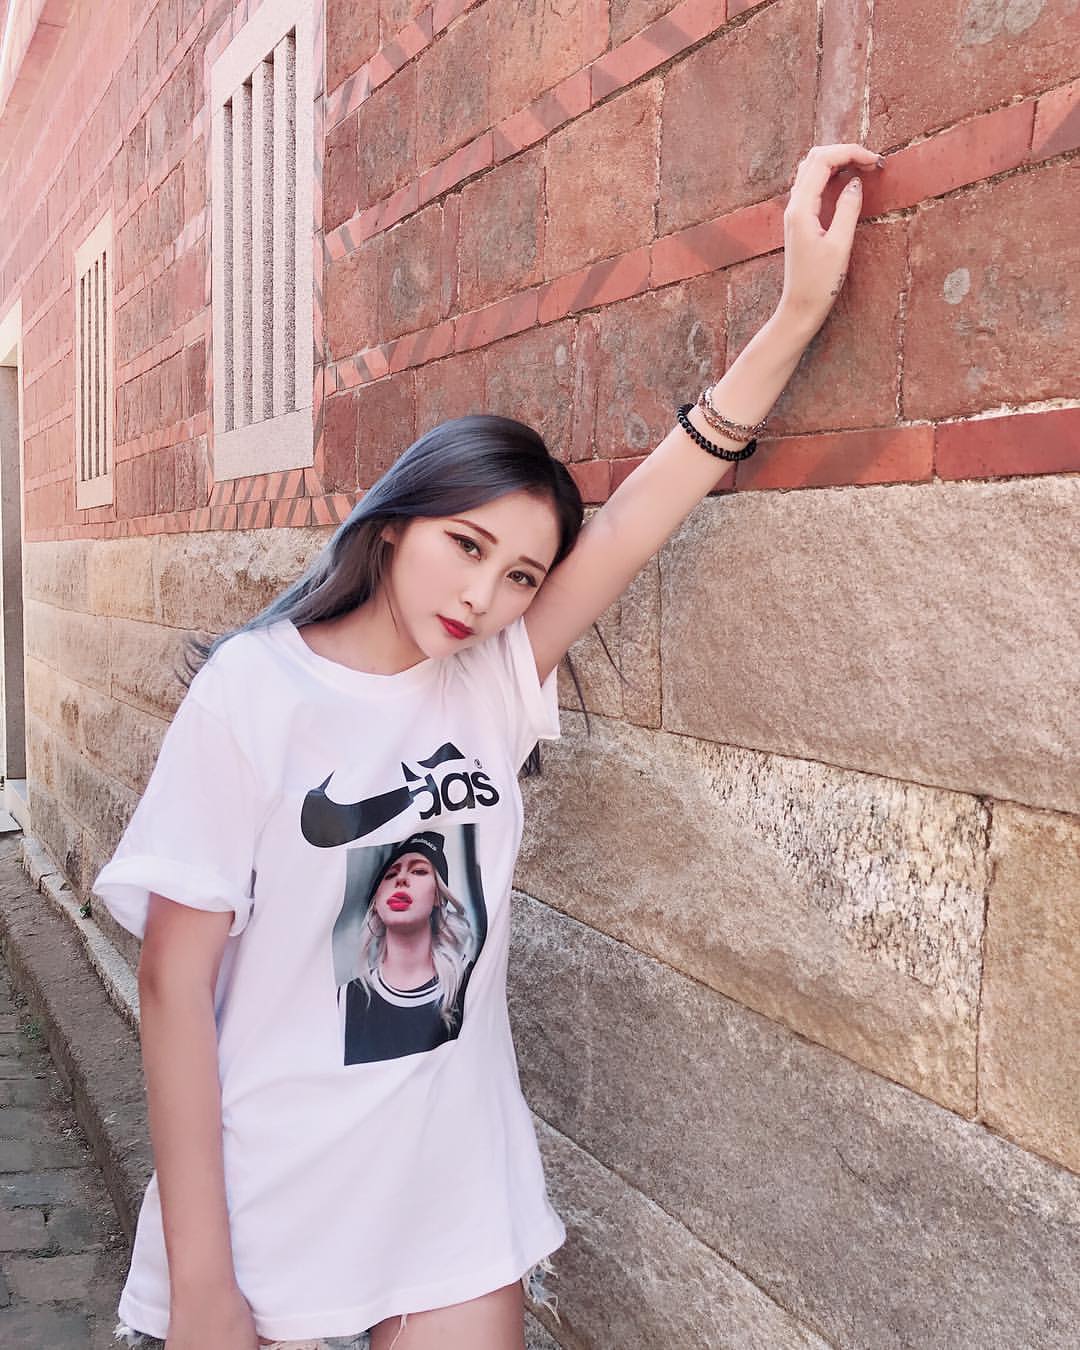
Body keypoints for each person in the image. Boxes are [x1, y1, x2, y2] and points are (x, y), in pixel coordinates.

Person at [95, 143, 885, 1350]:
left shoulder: (492, 684)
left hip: (450, 1186)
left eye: (520, 575)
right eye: (465, 546)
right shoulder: (255, 695)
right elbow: (171, 986)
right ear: (395, 523)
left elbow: (632, 523)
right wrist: (205, 1278)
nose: (484, 595)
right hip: (273, 1193)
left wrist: (794, 318)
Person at [340, 831, 477, 1064]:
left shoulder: (469, 979)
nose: (401, 879)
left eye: (419, 871)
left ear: (438, 896)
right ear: (376, 904)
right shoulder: (346, 998)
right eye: (390, 874)